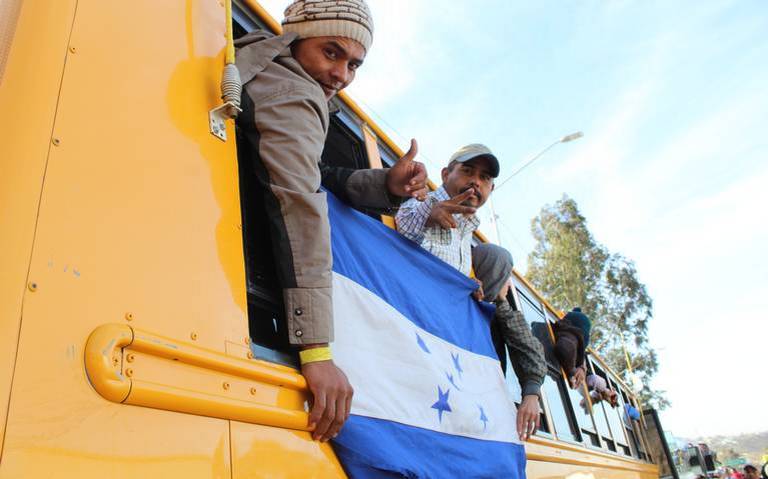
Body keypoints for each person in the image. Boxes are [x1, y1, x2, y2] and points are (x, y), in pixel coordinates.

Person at [235, 0, 429, 443]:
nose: (342, 75)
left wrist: (386, 185)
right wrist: (317, 350)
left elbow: (312, 173)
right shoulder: (293, 92)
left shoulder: (261, 67)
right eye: (331, 52)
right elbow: (300, 207)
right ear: (295, 38)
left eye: (354, 64)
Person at [471, 244, 546, 441]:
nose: (509, 283)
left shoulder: (500, 312)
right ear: (493, 274)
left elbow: (529, 346)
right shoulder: (463, 307)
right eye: (505, 276)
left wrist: (531, 393)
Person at [395, 144, 500, 277]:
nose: (476, 182)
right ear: (446, 175)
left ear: (491, 189)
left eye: (485, 177)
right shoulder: (425, 201)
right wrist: (427, 216)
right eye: (467, 171)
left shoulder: (467, 228)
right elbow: (404, 220)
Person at [552, 307, 591, 389]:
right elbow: (564, 347)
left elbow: (581, 355)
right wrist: (572, 372)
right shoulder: (571, 336)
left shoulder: (559, 330)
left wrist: (582, 367)